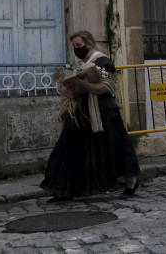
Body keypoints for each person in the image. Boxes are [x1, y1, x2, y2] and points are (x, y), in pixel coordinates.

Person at [41, 31, 141, 201]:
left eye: (79, 45)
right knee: (67, 150)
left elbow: (106, 88)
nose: (76, 49)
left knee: (114, 149)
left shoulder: (103, 61)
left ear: (89, 43)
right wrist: (68, 88)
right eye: (74, 47)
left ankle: (131, 182)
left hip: (102, 112)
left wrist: (84, 84)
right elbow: (70, 85)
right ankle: (64, 189)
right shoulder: (80, 63)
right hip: (80, 113)